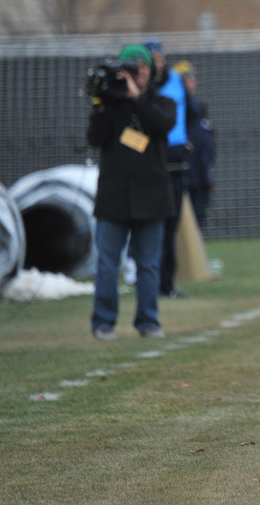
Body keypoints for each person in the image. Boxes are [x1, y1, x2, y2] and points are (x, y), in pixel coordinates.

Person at [87, 44, 176, 340]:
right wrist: (100, 103)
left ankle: (148, 321)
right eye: (132, 68)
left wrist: (136, 98)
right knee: (107, 264)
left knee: (149, 265)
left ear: (151, 72)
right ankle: (103, 322)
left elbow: (160, 124)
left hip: (151, 198)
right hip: (114, 196)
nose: (138, 73)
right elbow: (95, 139)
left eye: (143, 68)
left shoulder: (162, 103)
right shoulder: (112, 106)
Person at [145, 39, 190, 297]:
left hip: (176, 161)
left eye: (160, 57)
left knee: (171, 225)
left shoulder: (174, 80)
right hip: (153, 159)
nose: (158, 63)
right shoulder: (142, 87)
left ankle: (167, 284)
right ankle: (145, 279)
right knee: (151, 225)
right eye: (153, 58)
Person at [174, 61, 215, 230]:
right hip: (186, 178)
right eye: (186, 80)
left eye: (191, 79)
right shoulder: (179, 109)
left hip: (201, 176)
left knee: (199, 221)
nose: (192, 83)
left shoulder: (198, 110)